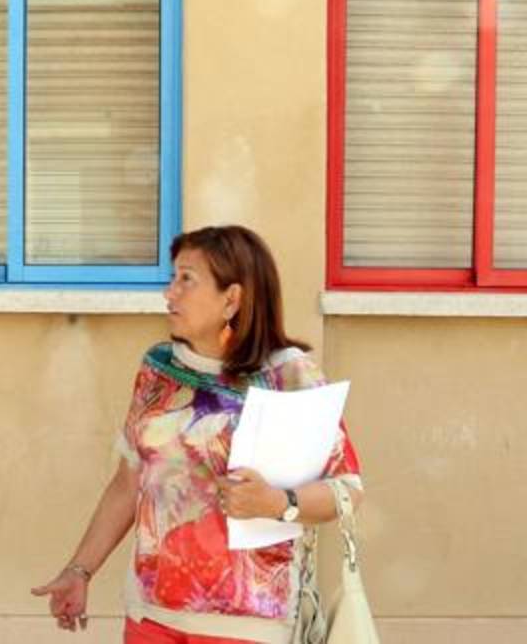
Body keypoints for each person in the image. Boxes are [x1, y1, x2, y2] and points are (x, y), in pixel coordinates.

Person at [32, 225, 363, 644]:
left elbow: (348, 490)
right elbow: (129, 481)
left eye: (186, 279)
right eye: (173, 278)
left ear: (232, 299)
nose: (170, 293)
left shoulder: (289, 374)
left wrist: (279, 502)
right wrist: (79, 570)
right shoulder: (159, 370)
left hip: (249, 623)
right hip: (151, 616)